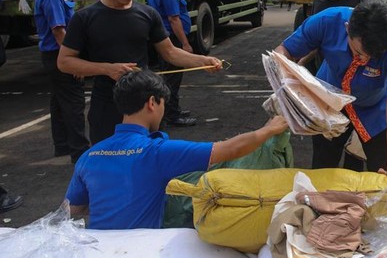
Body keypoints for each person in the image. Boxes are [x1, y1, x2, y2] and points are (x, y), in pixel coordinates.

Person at [65, 70, 289, 230]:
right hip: (140, 251)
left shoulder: (90, 156)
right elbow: (231, 149)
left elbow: (72, 211)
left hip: (98, 252)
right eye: (163, 104)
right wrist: (268, 130)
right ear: (152, 103)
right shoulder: (157, 152)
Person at [58, 0, 222, 144]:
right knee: (111, 158)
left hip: (145, 106)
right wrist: (107, 69)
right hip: (107, 105)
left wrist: (203, 60)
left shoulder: (147, 14)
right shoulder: (85, 18)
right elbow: (65, 62)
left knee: (150, 156)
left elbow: (170, 52)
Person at [275, 0, 387, 180]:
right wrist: (286, 88)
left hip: (374, 108)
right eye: (358, 53)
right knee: (323, 167)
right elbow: (284, 51)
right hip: (328, 102)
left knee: (383, 171)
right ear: (347, 28)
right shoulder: (327, 21)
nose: (364, 60)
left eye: (373, 56)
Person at [34, 0, 90, 163]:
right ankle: (80, 152)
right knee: (73, 103)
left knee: (59, 102)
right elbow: (59, 31)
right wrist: (74, 62)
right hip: (59, 55)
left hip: (54, 55)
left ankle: (63, 145)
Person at [145, 0, 196, 127]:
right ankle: (172, 115)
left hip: (162, 36)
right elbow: (174, 19)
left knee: (168, 75)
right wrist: (185, 43)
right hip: (171, 38)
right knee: (173, 78)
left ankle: (171, 109)